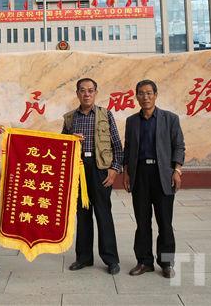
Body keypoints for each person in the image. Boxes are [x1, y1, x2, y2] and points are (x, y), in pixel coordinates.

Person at [123, 79, 185, 279]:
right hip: (140, 175)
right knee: (142, 222)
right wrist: (126, 172)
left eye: (149, 93)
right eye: (141, 93)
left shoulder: (170, 119)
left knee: (165, 222)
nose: (145, 97)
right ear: (136, 97)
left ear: (156, 95)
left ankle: (166, 263)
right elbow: (128, 149)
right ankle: (144, 262)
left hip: (162, 175)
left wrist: (177, 170)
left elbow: (179, 146)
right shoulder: (132, 121)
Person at [62, 78, 122, 275]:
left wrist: (114, 169)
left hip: (100, 170)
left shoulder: (106, 114)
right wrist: (71, 139)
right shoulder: (70, 118)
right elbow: (62, 146)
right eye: (82, 90)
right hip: (79, 171)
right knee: (82, 215)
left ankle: (111, 259)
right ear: (77, 93)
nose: (86, 94)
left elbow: (117, 145)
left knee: (104, 214)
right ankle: (84, 258)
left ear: (96, 93)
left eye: (90, 90)